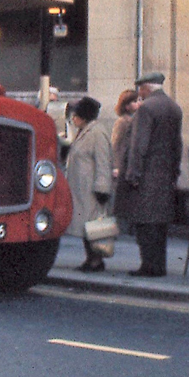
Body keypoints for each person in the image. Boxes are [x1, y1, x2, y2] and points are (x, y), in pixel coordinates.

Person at [118, 71, 183, 277]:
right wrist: (175, 171)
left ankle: (149, 265)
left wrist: (133, 174)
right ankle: (159, 265)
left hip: (146, 175)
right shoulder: (174, 107)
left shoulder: (146, 108)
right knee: (160, 224)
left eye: (141, 89)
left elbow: (139, 144)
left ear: (146, 88)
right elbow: (178, 144)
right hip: (165, 175)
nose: (140, 93)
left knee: (145, 223)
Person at [64, 96, 113, 272]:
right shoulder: (84, 131)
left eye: (75, 116)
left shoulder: (97, 133)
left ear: (83, 116)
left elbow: (103, 161)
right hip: (82, 188)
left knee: (94, 226)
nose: (73, 119)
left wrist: (102, 188)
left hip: (92, 188)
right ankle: (91, 258)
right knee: (86, 225)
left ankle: (96, 260)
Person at [111, 89, 140, 195]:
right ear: (127, 106)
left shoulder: (137, 119)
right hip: (122, 165)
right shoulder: (122, 122)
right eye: (135, 101)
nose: (139, 103)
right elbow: (115, 144)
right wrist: (116, 166)